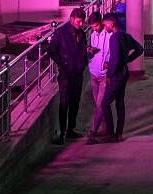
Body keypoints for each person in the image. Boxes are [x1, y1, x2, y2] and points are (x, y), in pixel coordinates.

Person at [46, 7, 88, 144]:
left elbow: (83, 50)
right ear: (71, 20)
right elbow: (51, 51)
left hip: (78, 72)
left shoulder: (82, 34)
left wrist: (84, 62)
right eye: (78, 21)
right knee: (65, 102)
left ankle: (71, 129)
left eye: (82, 22)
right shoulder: (61, 33)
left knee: (75, 102)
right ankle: (62, 132)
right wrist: (62, 64)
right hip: (65, 74)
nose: (81, 24)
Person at [100, 14, 144, 142]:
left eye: (105, 25)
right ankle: (119, 134)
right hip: (124, 74)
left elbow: (114, 59)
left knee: (104, 103)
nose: (104, 28)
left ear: (111, 24)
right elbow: (139, 49)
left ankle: (110, 134)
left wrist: (109, 74)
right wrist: (127, 59)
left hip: (117, 75)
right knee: (120, 103)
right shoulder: (126, 36)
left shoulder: (114, 38)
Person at [85, 12, 114, 143]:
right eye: (92, 27)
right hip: (93, 74)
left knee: (100, 104)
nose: (94, 28)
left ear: (101, 22)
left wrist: (108, 65)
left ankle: (92, 132)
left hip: (104, 75)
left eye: (96, 26)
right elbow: (94, 52)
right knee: (98, 104)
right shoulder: (92, 35)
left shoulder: (110, 35)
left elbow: (112, 54)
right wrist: (90, 52)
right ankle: (105, 128)